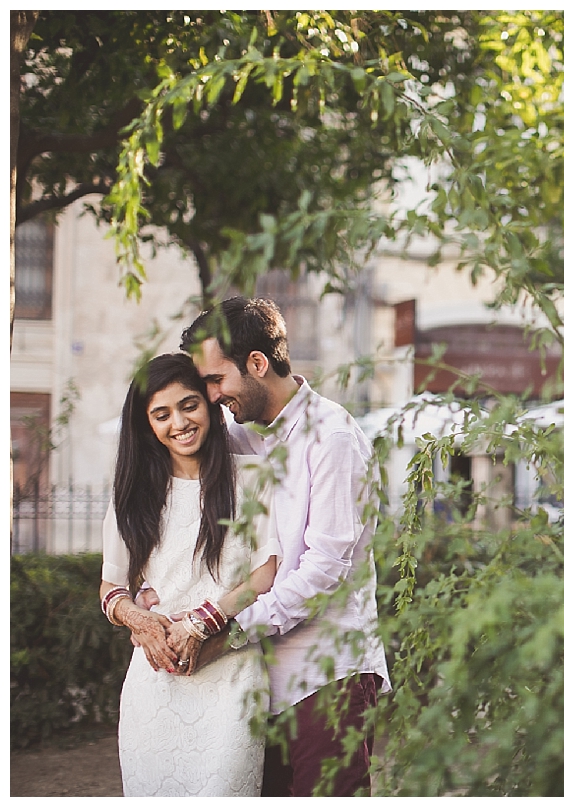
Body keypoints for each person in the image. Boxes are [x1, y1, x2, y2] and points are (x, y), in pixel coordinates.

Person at [178, 295, 391, 797]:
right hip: (255, 684)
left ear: (257, 363)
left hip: (327, 675)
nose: (211, 396)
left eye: (215, 380)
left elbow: (322, 575)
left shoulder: (333, 437)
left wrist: (227, 633)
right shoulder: (244, 437)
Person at [99, 353, 280, 796]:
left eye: (189, 405)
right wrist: (136, 618)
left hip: (230, 676)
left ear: (210, 404)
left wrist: (205, 621)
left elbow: (267, 572)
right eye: (161, 414)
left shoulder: (252, 478)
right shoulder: (135, 494)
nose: (178, 422)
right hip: (154, 681)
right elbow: (110, 585)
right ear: (147, 425)